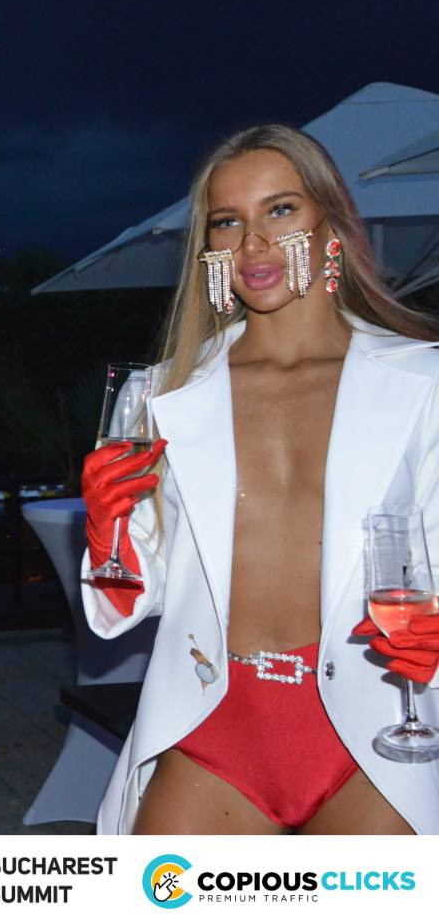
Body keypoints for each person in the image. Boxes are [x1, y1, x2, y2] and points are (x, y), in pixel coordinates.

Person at [80, 124, 439, 835]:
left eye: (280, 210)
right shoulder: (159, 395)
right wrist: (106, 532)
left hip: (375, 727)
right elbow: (128, 604)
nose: (253, 244)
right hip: (213, 719)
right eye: (227, 221)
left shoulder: (423, 380)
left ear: (331, 222)